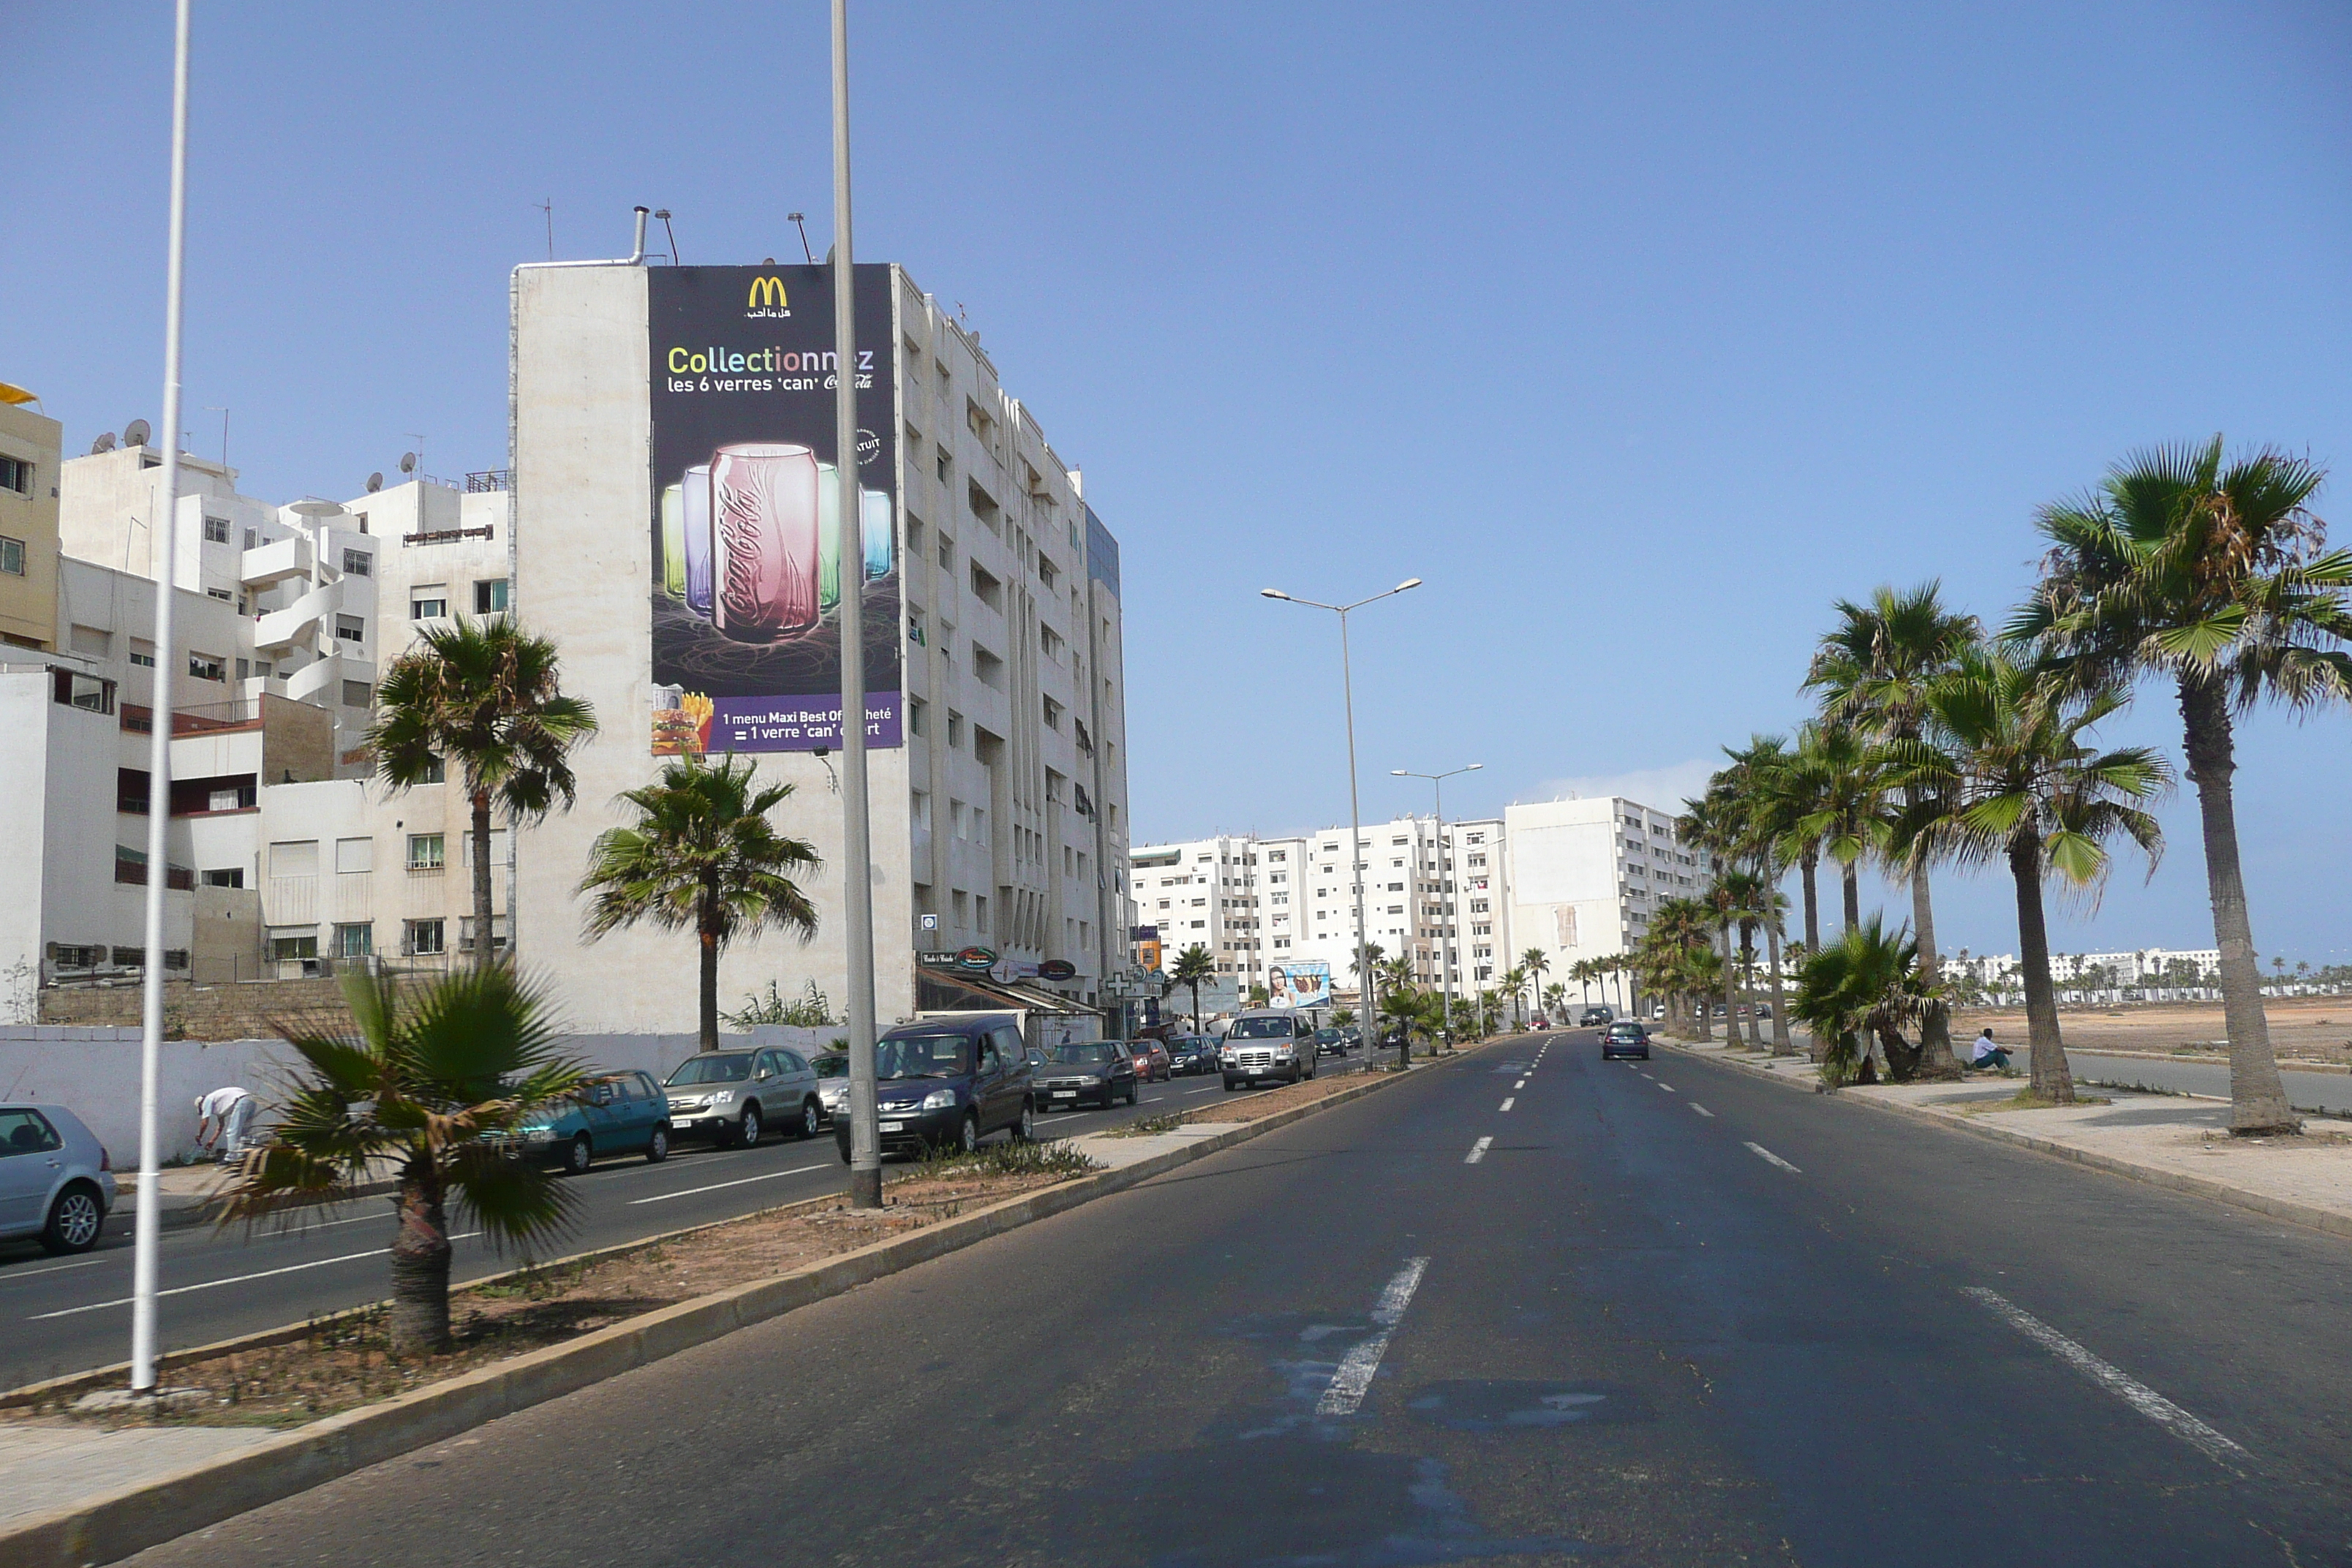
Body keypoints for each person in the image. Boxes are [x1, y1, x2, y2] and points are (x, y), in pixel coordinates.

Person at [195, 1085, 257, 1164]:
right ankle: (243, 1157)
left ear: (201, 1104)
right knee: (243, 1133)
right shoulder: (218, 1103)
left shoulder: (207, 1100)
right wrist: (212, 1141)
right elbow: (220, 1127)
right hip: (251, 1100)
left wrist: (200, 1135)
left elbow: (205, 1122)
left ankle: (231, 1158)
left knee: (232, 1131)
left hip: (241, 1101)